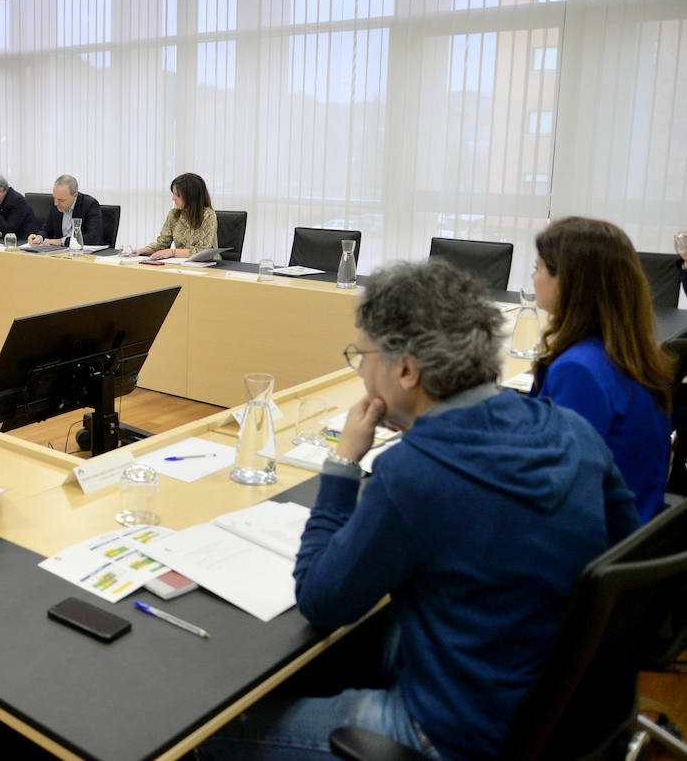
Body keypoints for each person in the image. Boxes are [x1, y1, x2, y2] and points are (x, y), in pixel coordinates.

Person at [199, 260, 638, 761]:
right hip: (569, 706)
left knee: (208, 740)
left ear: (407, 369)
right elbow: (622, 555)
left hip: (453, 732)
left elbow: (321, 600)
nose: (361, 372)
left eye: (362, 356)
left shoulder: (414, 474)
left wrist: (342, 463)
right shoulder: (571, 431)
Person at [530, 216, 675, 523]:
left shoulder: (578, 371)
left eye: (538, 267)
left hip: (595, 542)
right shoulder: (631, 353)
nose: (533, 277)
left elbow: (555, 484)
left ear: (568, 281)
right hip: (636, 535)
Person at [134, 172, 216, 260]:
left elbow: (203, 251)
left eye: (177, 195)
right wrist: (138, 251)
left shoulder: (208, 215)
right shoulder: (173, 214)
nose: (173, 198)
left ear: (191, 196)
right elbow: (162, 244)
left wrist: (172, 252)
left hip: (209, 265)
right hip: (182, 264)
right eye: (173, 194)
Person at [26, 174, 103, 248]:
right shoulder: (56, 203)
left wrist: (62, 241)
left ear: (75, 195)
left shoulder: (90, 205)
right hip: (59, 253)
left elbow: (93, 238)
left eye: (61, 200)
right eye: (55, 198)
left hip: (82, 254)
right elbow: (47, 229)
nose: (56, 203)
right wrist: (39, 238)